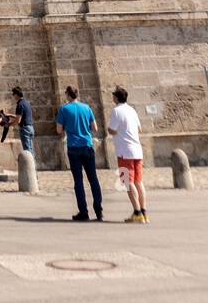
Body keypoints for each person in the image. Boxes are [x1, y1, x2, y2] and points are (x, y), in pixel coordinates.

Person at [56, 85, 103, 221]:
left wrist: (68, 126)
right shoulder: (86, 108)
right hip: (87, 145)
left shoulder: (64, 109)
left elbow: (59, 130)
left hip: (74, 147)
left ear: (67, 95)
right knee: (93, 178)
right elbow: (95, 128)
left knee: (78, 181)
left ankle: (83, 211)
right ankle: (98, 209)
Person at [108, 86, 149, 223]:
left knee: (128, 182)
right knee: (138, 181)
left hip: (124, 151)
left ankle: (137, 212)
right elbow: (139, 129)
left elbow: (112, 130)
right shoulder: (132, 110)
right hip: (137, 150)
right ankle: (143, 211)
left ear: (116, 97)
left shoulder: (116, 111)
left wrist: (115, 131)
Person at [11, 85, 36, 161]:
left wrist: (9, 124)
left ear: (16, 95)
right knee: (31, 149)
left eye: (13, 94)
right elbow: (21, 116)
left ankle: (30, 171)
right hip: (30, 128)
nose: (13, 96)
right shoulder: (26, 103)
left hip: (24, 128)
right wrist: (9, 115)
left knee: (27, 151)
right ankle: (33, 169)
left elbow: (18, 120)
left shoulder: (19, 105)